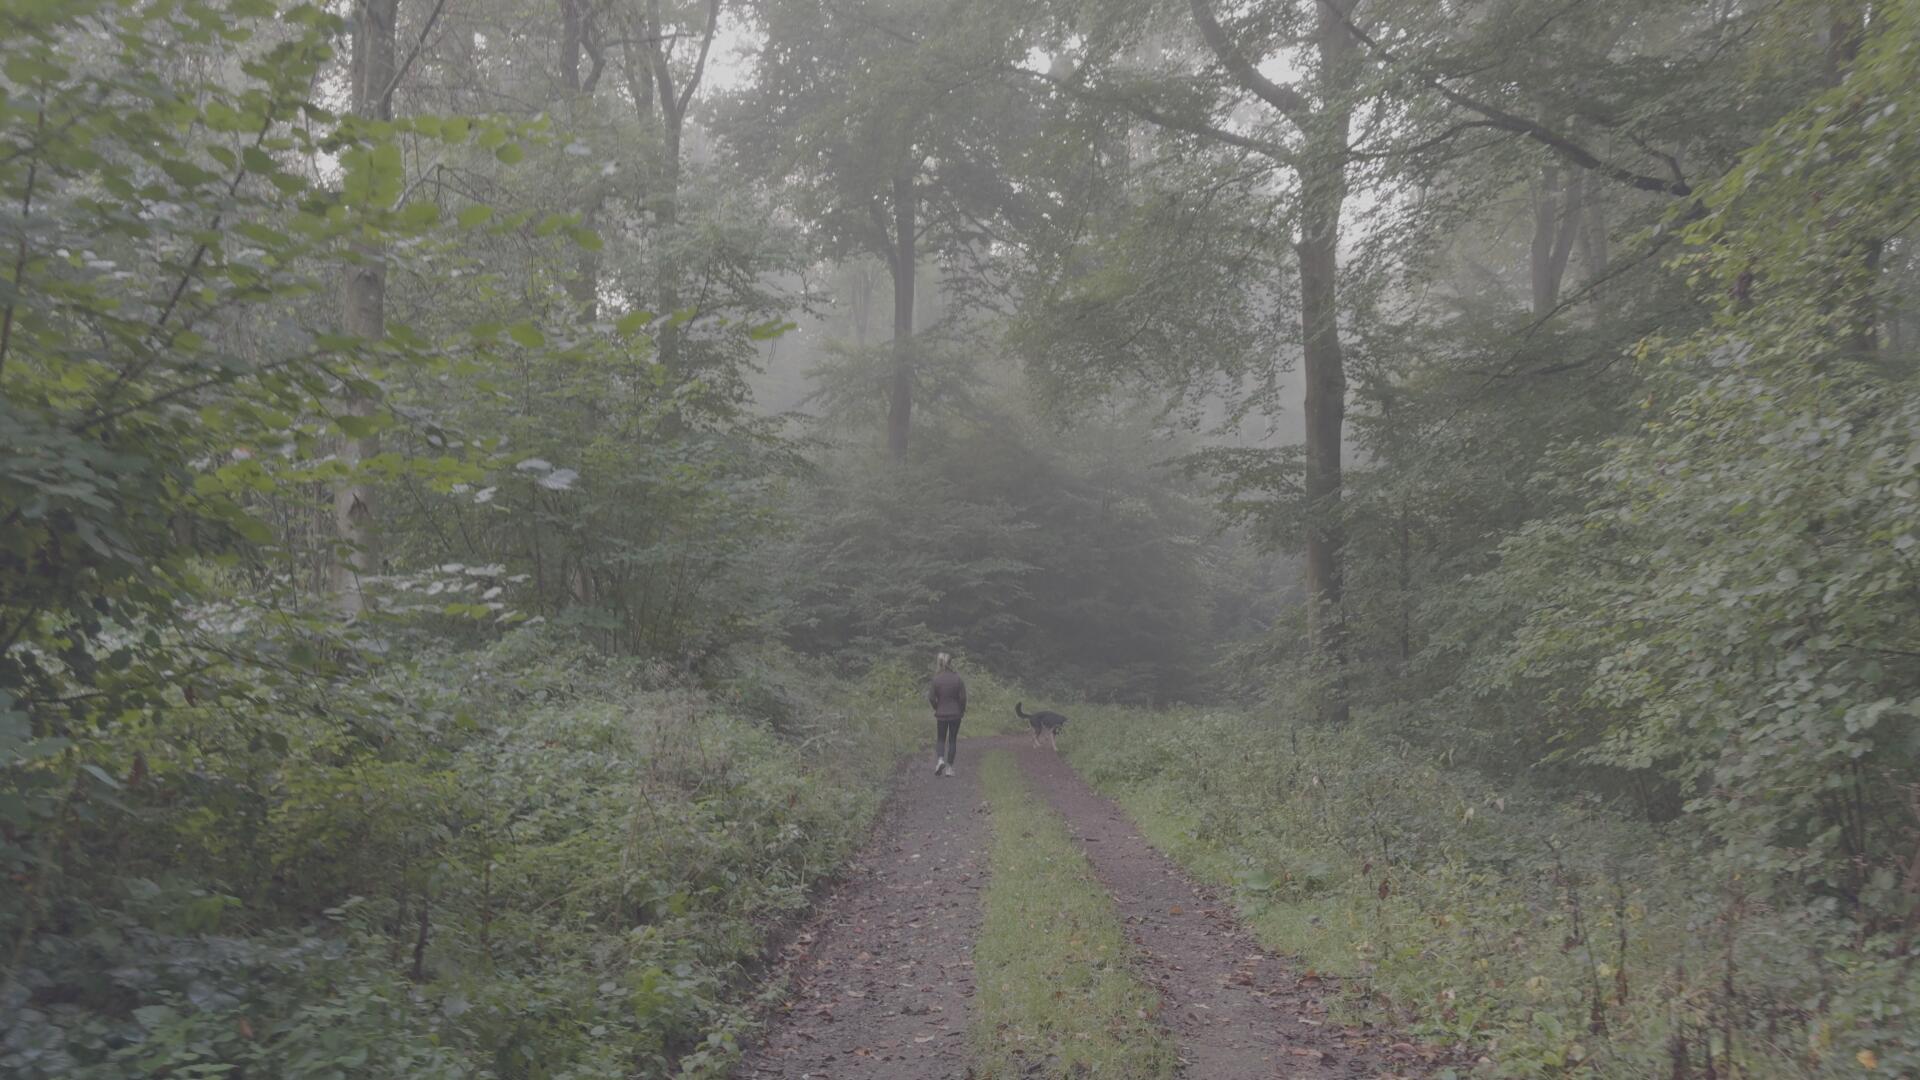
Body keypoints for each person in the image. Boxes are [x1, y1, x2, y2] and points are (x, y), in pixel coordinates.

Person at [928, 652, 965, 777]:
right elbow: (963, 698)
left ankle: (940, 760)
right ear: (950, 663)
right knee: (952, 740)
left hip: (941, 714)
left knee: (941, 739)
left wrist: (937, 707)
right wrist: (961, 710)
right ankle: (949, 768)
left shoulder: (936, 679)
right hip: (955, 714)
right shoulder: (957, 678)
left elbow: (931, 698)